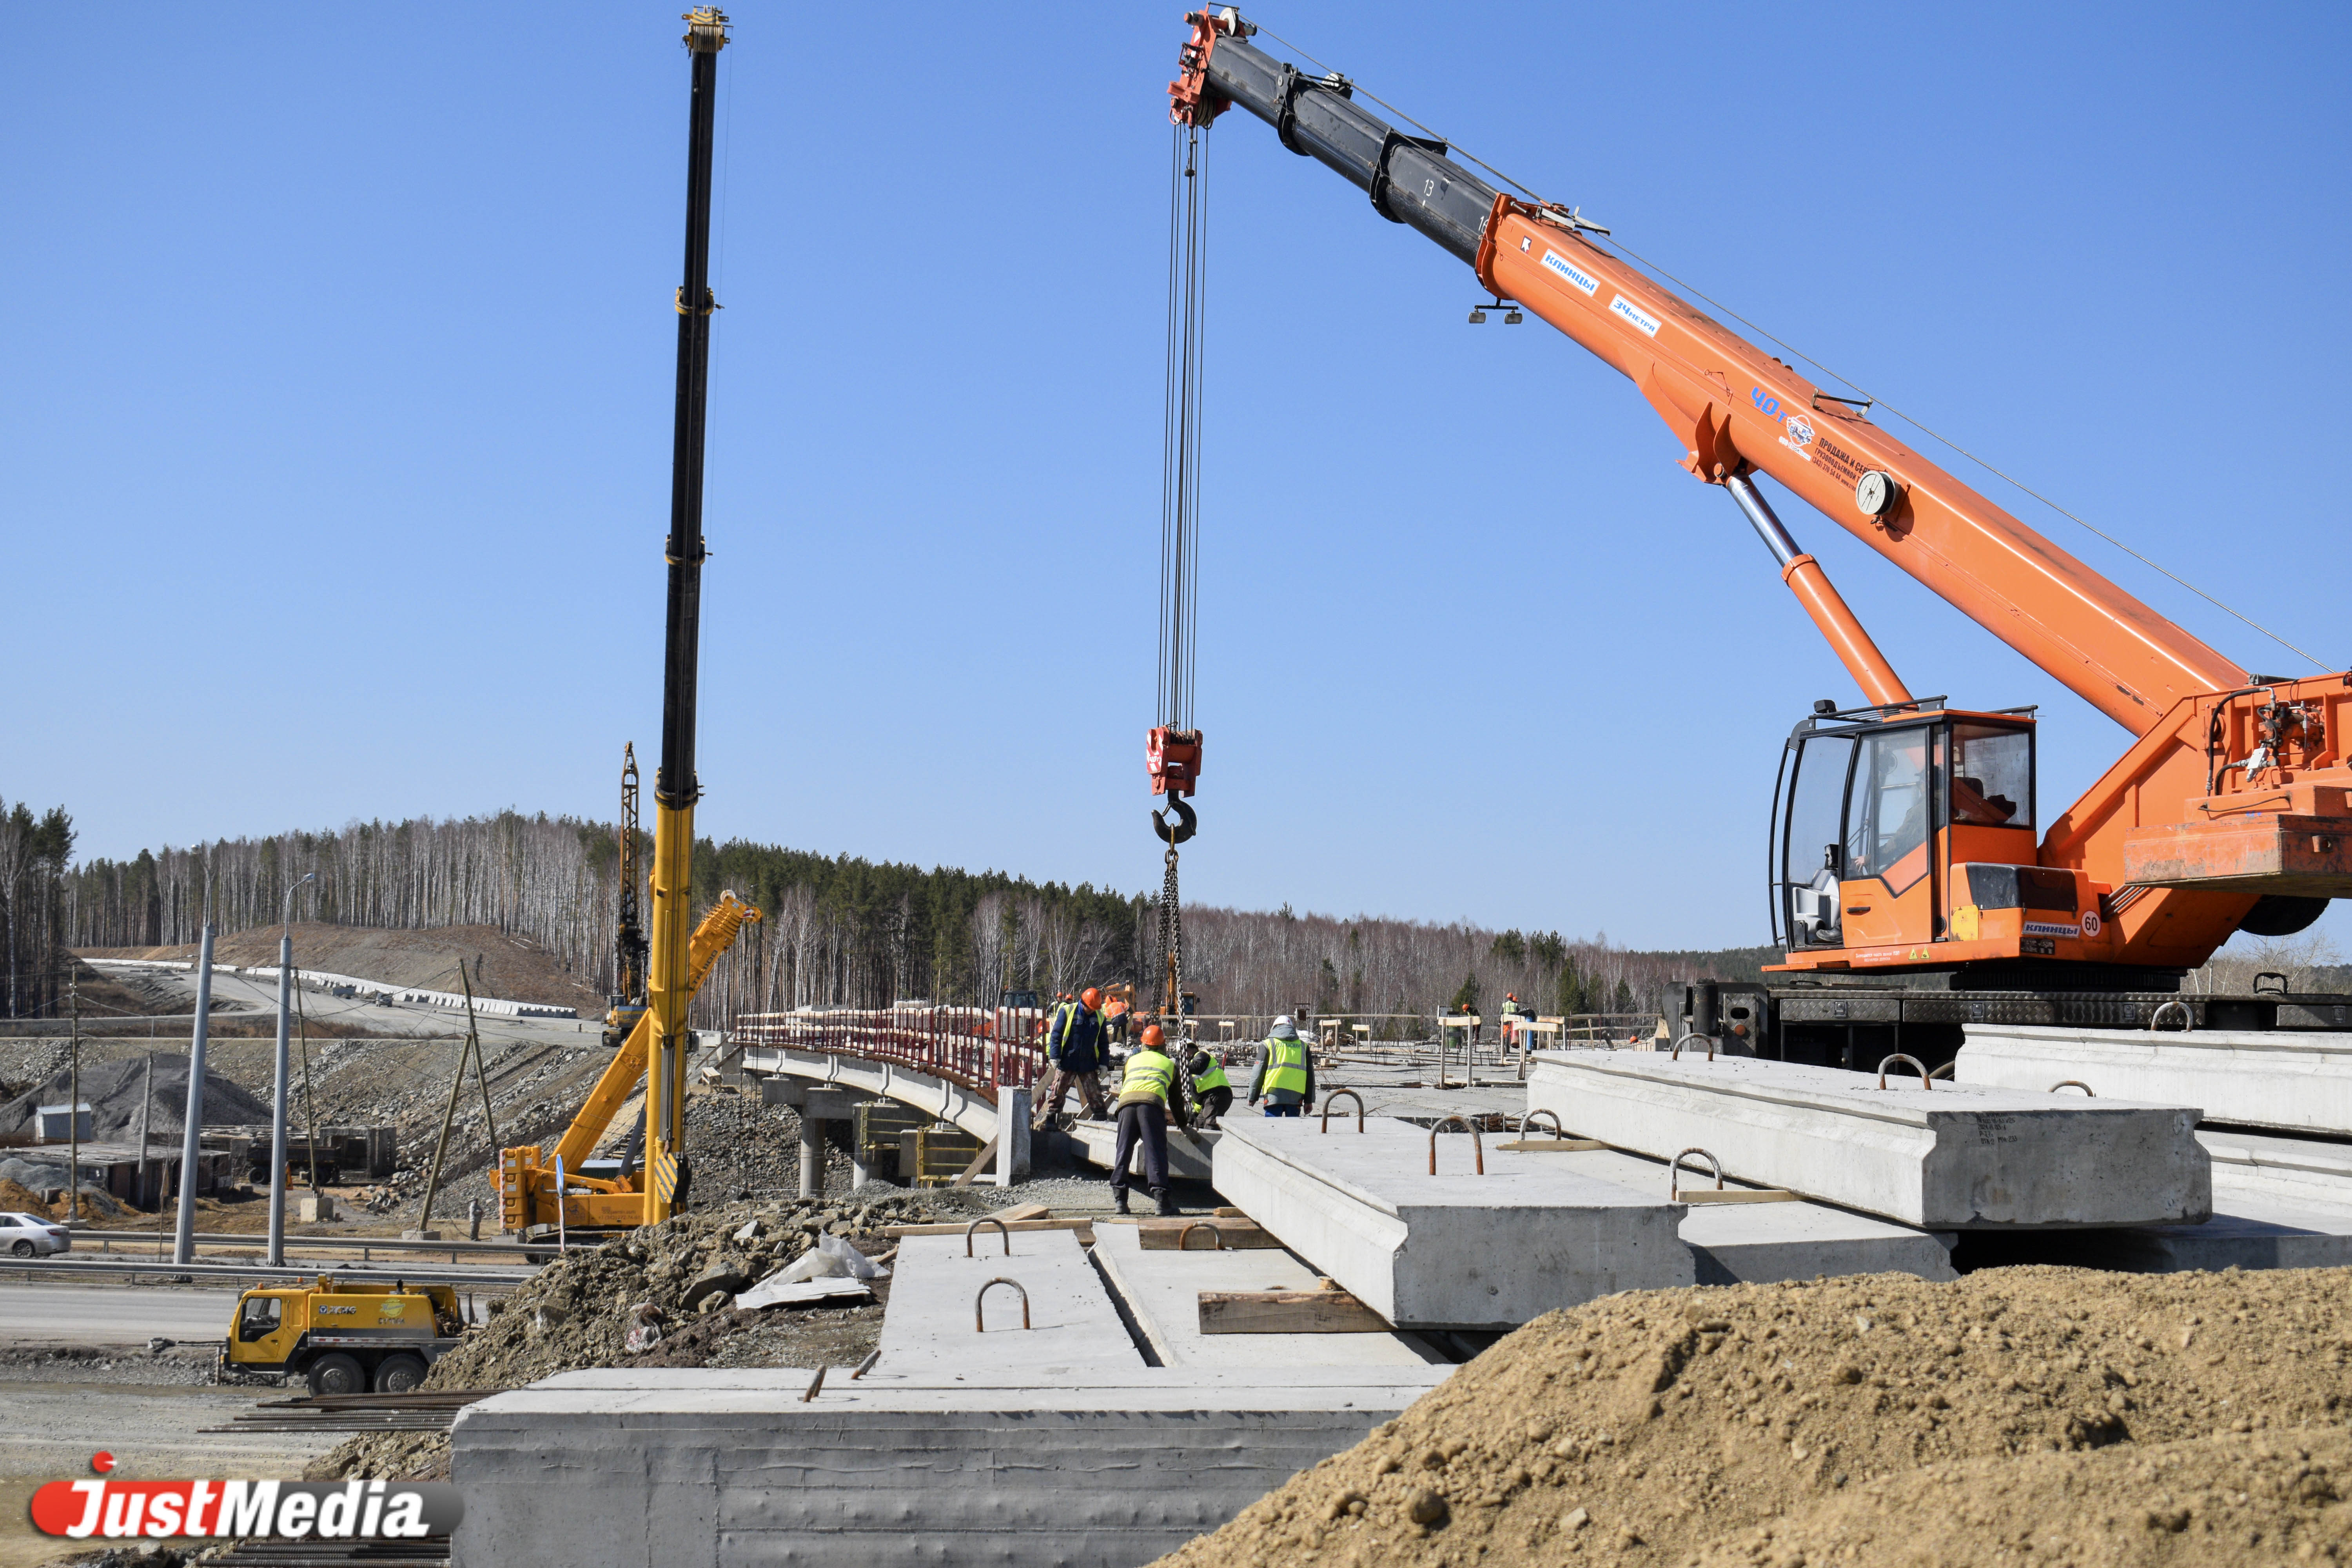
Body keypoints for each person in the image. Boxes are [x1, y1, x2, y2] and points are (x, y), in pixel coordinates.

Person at [1109, 1024, 1189, 1216]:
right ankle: (1162, 1203)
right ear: (1163, 1046)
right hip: (1151, 1107)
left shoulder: (1132, 1061)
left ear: (1144, 1044)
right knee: (1156, 1152)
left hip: (1126, 1106)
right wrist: (1184, 1125)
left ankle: (1120, 1201)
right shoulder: (1170, 1064)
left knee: (1123, 1151)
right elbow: (1177, 1102)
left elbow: (1126, 1084)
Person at [1031, 987, 1109, 1129]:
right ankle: (1051, 1121)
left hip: (1088, 1063)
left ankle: (1101, 1122)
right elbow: (1057, 1035)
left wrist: (1104, 1064)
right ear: (1083, 1003)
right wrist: (1054, 1056)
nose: (1091, 1011)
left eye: (1094, 1008)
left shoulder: (1099, 1017)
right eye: (1090, 1008)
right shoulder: (1068, 1011)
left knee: (1095, 1094)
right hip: (1068, 1061)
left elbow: (1104, 1043)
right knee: (1058, 1091)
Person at [1247, 1015, 1316, 1118]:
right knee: (1291, 1131)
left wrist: (1253, 1097)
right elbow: (1310, 1076)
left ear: (1275, 1028)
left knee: (1273, 1129)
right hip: (1296, 1098)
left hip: (1273, 1096)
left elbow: (1258, 1072)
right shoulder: (1303, 1047)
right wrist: (1309, 1101)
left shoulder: (1268, 1044)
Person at [1186, 1046, 1233, 1129]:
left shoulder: (1202, 1055)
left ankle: (1214, 1141)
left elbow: (1198, 1067)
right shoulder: (1190, 1072)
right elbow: (1196, 1100)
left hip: (1218, 1093)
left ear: (1194, 1049)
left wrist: (1179, 1063)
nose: (1187, 1054)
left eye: (1188, 1050)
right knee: (1198, 1125)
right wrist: (1190, 1119)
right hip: (1208, 1098)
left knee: (1210, 1125)